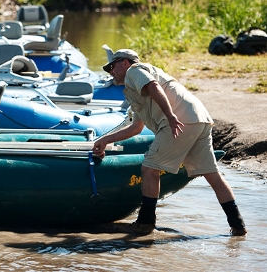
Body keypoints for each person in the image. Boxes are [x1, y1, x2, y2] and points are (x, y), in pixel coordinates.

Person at [92, 49, 247, 236]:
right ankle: (238, 226)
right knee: (212, 175)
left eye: (112, 65)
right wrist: (105, 139)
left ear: (125, 63)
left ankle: (145, 224)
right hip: (199, 119)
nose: (110, 71)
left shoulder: (135, 70)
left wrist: (171, 117)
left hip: (179, 121)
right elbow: (136, 128)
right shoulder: (134, 89)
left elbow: (154, 87)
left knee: (149, 168)